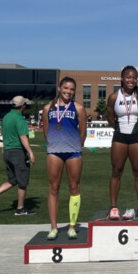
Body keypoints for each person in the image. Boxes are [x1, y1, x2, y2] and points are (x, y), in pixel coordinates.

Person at [106, 66, 138, 221]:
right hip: (119, 137)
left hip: (136, 138)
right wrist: (119, 129)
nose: (131, 80)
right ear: (122, 78)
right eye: (128, 77)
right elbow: (110, 116)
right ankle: (113, 207)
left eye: (134, 78)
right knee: (116, 171)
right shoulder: (114, 97)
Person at [42, 78, 87, 239]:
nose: (69, 91)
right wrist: (56, 143)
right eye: (66, 88)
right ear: (60, 88)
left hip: (73, 152)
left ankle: (72, 226)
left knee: (74, 187)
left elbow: (83, 132)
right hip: (54, 152)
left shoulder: (79, 108)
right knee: (54, 188)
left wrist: (75, 145)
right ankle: (53, 227)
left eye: (72, 89)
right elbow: (46, 130)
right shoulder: (48, 108)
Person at [0, 96, 35, 215]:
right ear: (22, 105)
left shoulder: (6, 117)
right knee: (22, 182)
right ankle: (20, 208)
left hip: (6, 151)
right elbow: (23, 137)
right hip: (17, 152)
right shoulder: (19, 119)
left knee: (12, 180)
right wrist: (30, 153)